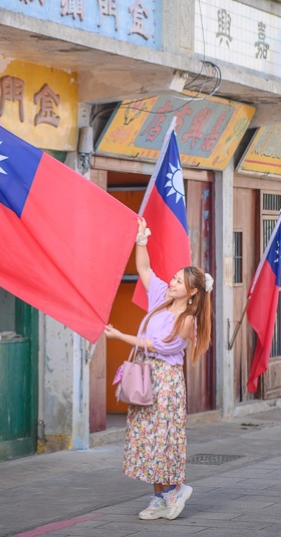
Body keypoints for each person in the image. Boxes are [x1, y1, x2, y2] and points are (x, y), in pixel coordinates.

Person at [104, 217, 214, 521]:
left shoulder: (187, 320)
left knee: (163, 438)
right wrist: (142, 241)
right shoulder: (161, 297)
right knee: (146, 436)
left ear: (191, 292)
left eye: (179, 281)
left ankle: (172, 491)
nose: (173, 282)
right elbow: (144, 270)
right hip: (146, 374)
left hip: (165, 381)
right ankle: (161, 497)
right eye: (175, 278)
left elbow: (157, 346)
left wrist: (117, 335)